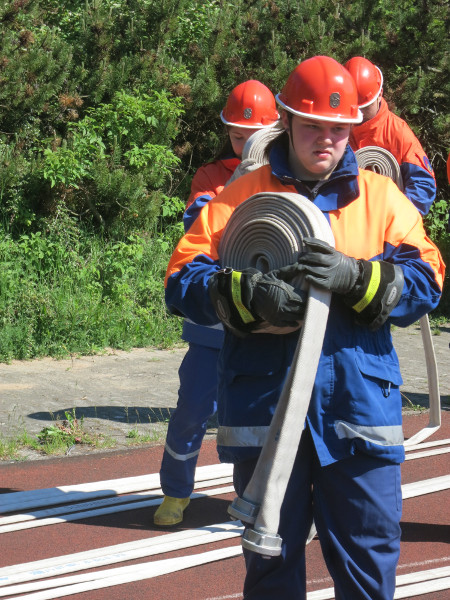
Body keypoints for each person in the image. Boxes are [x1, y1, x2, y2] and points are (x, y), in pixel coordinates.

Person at [164, 55, 444, 599]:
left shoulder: (381, 198)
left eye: (338, 128)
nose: (327, 139)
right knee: (271, 568)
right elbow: (182, 281)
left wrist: (358, 278)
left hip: (358, 416)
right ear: (287, 122)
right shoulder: (239, 197)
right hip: (266, 417)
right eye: (313, 125)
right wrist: (248, 295)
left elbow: (427, 278)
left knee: (368, 566)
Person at [153, 80, 280, 527]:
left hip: (266, 324)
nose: (244, 143)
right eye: (236, 135)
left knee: (265, 415)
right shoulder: (211, 175)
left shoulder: (290, 175)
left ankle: (263, 499)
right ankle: (176, 491)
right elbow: (197, 223)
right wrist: (239, 186)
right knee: (193, 408)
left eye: (253, 136)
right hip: (214, 322)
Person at [344, 56, 436, 216]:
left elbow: (423, 185)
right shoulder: (337, 129)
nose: (358, 114)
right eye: (353, 107)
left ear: (380, 94)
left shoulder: (398, 132)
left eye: (364, 107)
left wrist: (396, 218)